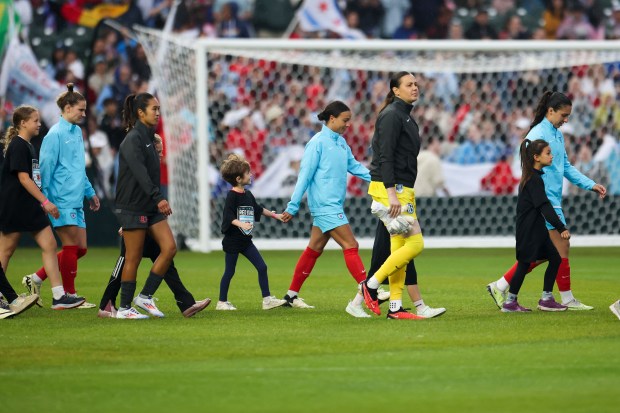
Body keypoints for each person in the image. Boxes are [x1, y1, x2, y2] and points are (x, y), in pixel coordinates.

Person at [487, 91, 607, 311]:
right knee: (559, 247)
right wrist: (537, 198)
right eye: (563, 115)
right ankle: (559, 298)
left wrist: (590, 184)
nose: (566, 120)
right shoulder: (536, 134)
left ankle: (501, 285)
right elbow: (526, 168)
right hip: (543, 201)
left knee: (545, 252)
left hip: (552, 199)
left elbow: (566, 168)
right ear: (550, 111)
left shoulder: (556, 134)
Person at [98, 135, 211, 318]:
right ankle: (110, 304)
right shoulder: (139, 168)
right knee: (128, 261)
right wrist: (127, 222)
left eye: (161, 152)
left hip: (147, 219)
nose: (161, 155)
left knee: (164, 258)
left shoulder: (151, 169)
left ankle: (185, 302)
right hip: (137, 219)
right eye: (157, 151)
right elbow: (132, 194)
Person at [280, 101, 373, 318]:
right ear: (332, 119)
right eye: (345, 120)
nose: (348, 125)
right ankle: (368, 289)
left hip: (333, 204)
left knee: (314, 249)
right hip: (324, 204)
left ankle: (291, 296)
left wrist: (379, 180)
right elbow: (304, 175)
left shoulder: (340, 143)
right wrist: (292, 206)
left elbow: (355, 166)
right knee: (351, 244)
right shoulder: (317, 143)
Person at [0, 105, 84, 318]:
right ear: (23, 123)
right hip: (15, 205)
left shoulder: (28, 145)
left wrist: (40, 202)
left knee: (50, 245)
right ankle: (3, 294)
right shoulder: (18, 145)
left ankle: (59, 296)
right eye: (35, 120)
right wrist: (45, 201)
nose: (39, 124)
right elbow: (23, 179)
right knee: (6, 250)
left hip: (29, 205)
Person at [22, 84, 100, 308]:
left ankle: (35, 278)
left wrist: (90, 192)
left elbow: (78, 168)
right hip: (60, 199)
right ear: (67, 108)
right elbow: (45, 169)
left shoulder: (77, 133)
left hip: (76, 197)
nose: (84, 114)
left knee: (81, 248)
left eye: (85, 110)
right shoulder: (54, 134)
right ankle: (68, 295)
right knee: (70, 247)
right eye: (81, 110)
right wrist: (45, 200)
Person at [359, 71, 429, 320]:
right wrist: (391, 192)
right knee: (416, 244)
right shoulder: (391, 116)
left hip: (402, 188)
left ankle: (396, 307)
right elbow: (385, 155)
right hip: (392, 189)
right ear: (395, 90)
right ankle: (371, 285)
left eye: (416, 84)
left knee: (397, 247)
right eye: (409, 85)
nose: (415, 88)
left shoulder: (404, 116)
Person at [113, 92, 176, 320]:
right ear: (140, 112)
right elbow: (140, 173)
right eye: (154, 109)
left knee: (169, 248)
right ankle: (124, 308)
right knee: (134, 257)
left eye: (159, 109)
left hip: (149, 205)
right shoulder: (133, 139)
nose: (158, 113)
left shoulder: (149, 137)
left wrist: (155, 199)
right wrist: (158, 197)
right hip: (133, 206)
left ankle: (145, 296)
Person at [502, 139, 570, 312]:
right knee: (525, 264)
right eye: (548, 153)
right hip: (530, 229)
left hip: (535, 228)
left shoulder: (533, 177)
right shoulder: (533, 180)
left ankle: (545, 298)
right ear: (536, 157)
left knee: (554, 258)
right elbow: (544, 206)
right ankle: (511, 302)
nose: (551, 156)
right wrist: (561, 227)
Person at [216, 153, 287, 311]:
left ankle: (267, 300)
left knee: (262, 267)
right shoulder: (231, 196)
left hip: (246, 241)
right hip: (233, 241)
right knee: (229, 271)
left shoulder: (248, 194)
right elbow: (228, 217)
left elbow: (258, 209)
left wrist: (276, 215)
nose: (251, 175)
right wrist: (241, 223)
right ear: (239, 179)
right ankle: (221, 302)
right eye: (248, 173)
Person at [367, 220, 446, 318]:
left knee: (402, 263)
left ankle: (396, 308)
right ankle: (369, 287)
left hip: (396, 216)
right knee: (411, 250)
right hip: (394, 216)